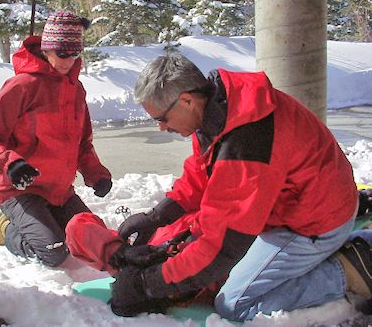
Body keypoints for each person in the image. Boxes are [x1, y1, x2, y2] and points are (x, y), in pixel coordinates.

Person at [65, 52, 372, 320]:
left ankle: (350, 269)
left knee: (236, 304)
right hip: (292, 207)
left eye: (161, 118)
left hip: (313, 222)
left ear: (186, 99)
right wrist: (159, 216)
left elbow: (222, 245)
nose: (160, 127)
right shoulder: (219, 108)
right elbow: (200, 177)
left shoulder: (246, 139)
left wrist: (152, 284)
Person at [0, 11, 112, 268]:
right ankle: (4, 227)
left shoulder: (76, 89)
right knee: (54, 251)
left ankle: (46, 219)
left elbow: (82, 142)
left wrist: (96, 174)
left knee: (92, 238)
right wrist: (10, 163)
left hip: (60, 192)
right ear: (47, 49)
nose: (68, 62)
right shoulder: (21, 86)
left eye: (74, 55)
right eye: (62, 54)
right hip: (20, 191)